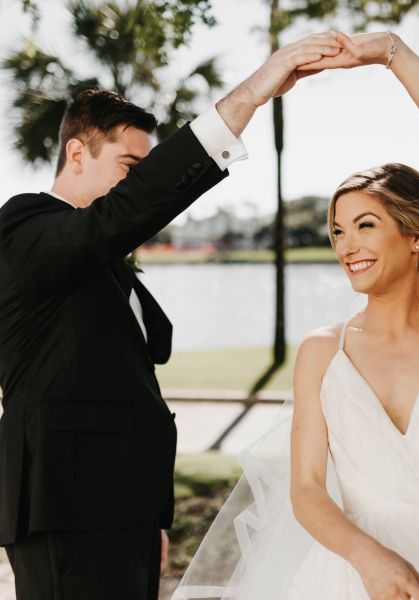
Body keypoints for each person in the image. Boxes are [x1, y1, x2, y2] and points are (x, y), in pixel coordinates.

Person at [173, 31, 419, 600]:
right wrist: (372, 561)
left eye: (366, 225)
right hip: (346, 576)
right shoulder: (322, 352)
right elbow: (308, 491)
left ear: (415, 236)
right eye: (338, 229)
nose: (347, 245)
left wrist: (393, 53)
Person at [0, 32, 344, 600]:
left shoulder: (100, 258)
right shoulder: (25, 228)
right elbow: (130, 210)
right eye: (129, 166)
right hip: (65, 508)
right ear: (76, 153)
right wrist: (253, 95)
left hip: (122, 512)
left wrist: (150, 514)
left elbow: (128, 389)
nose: (136, 183)